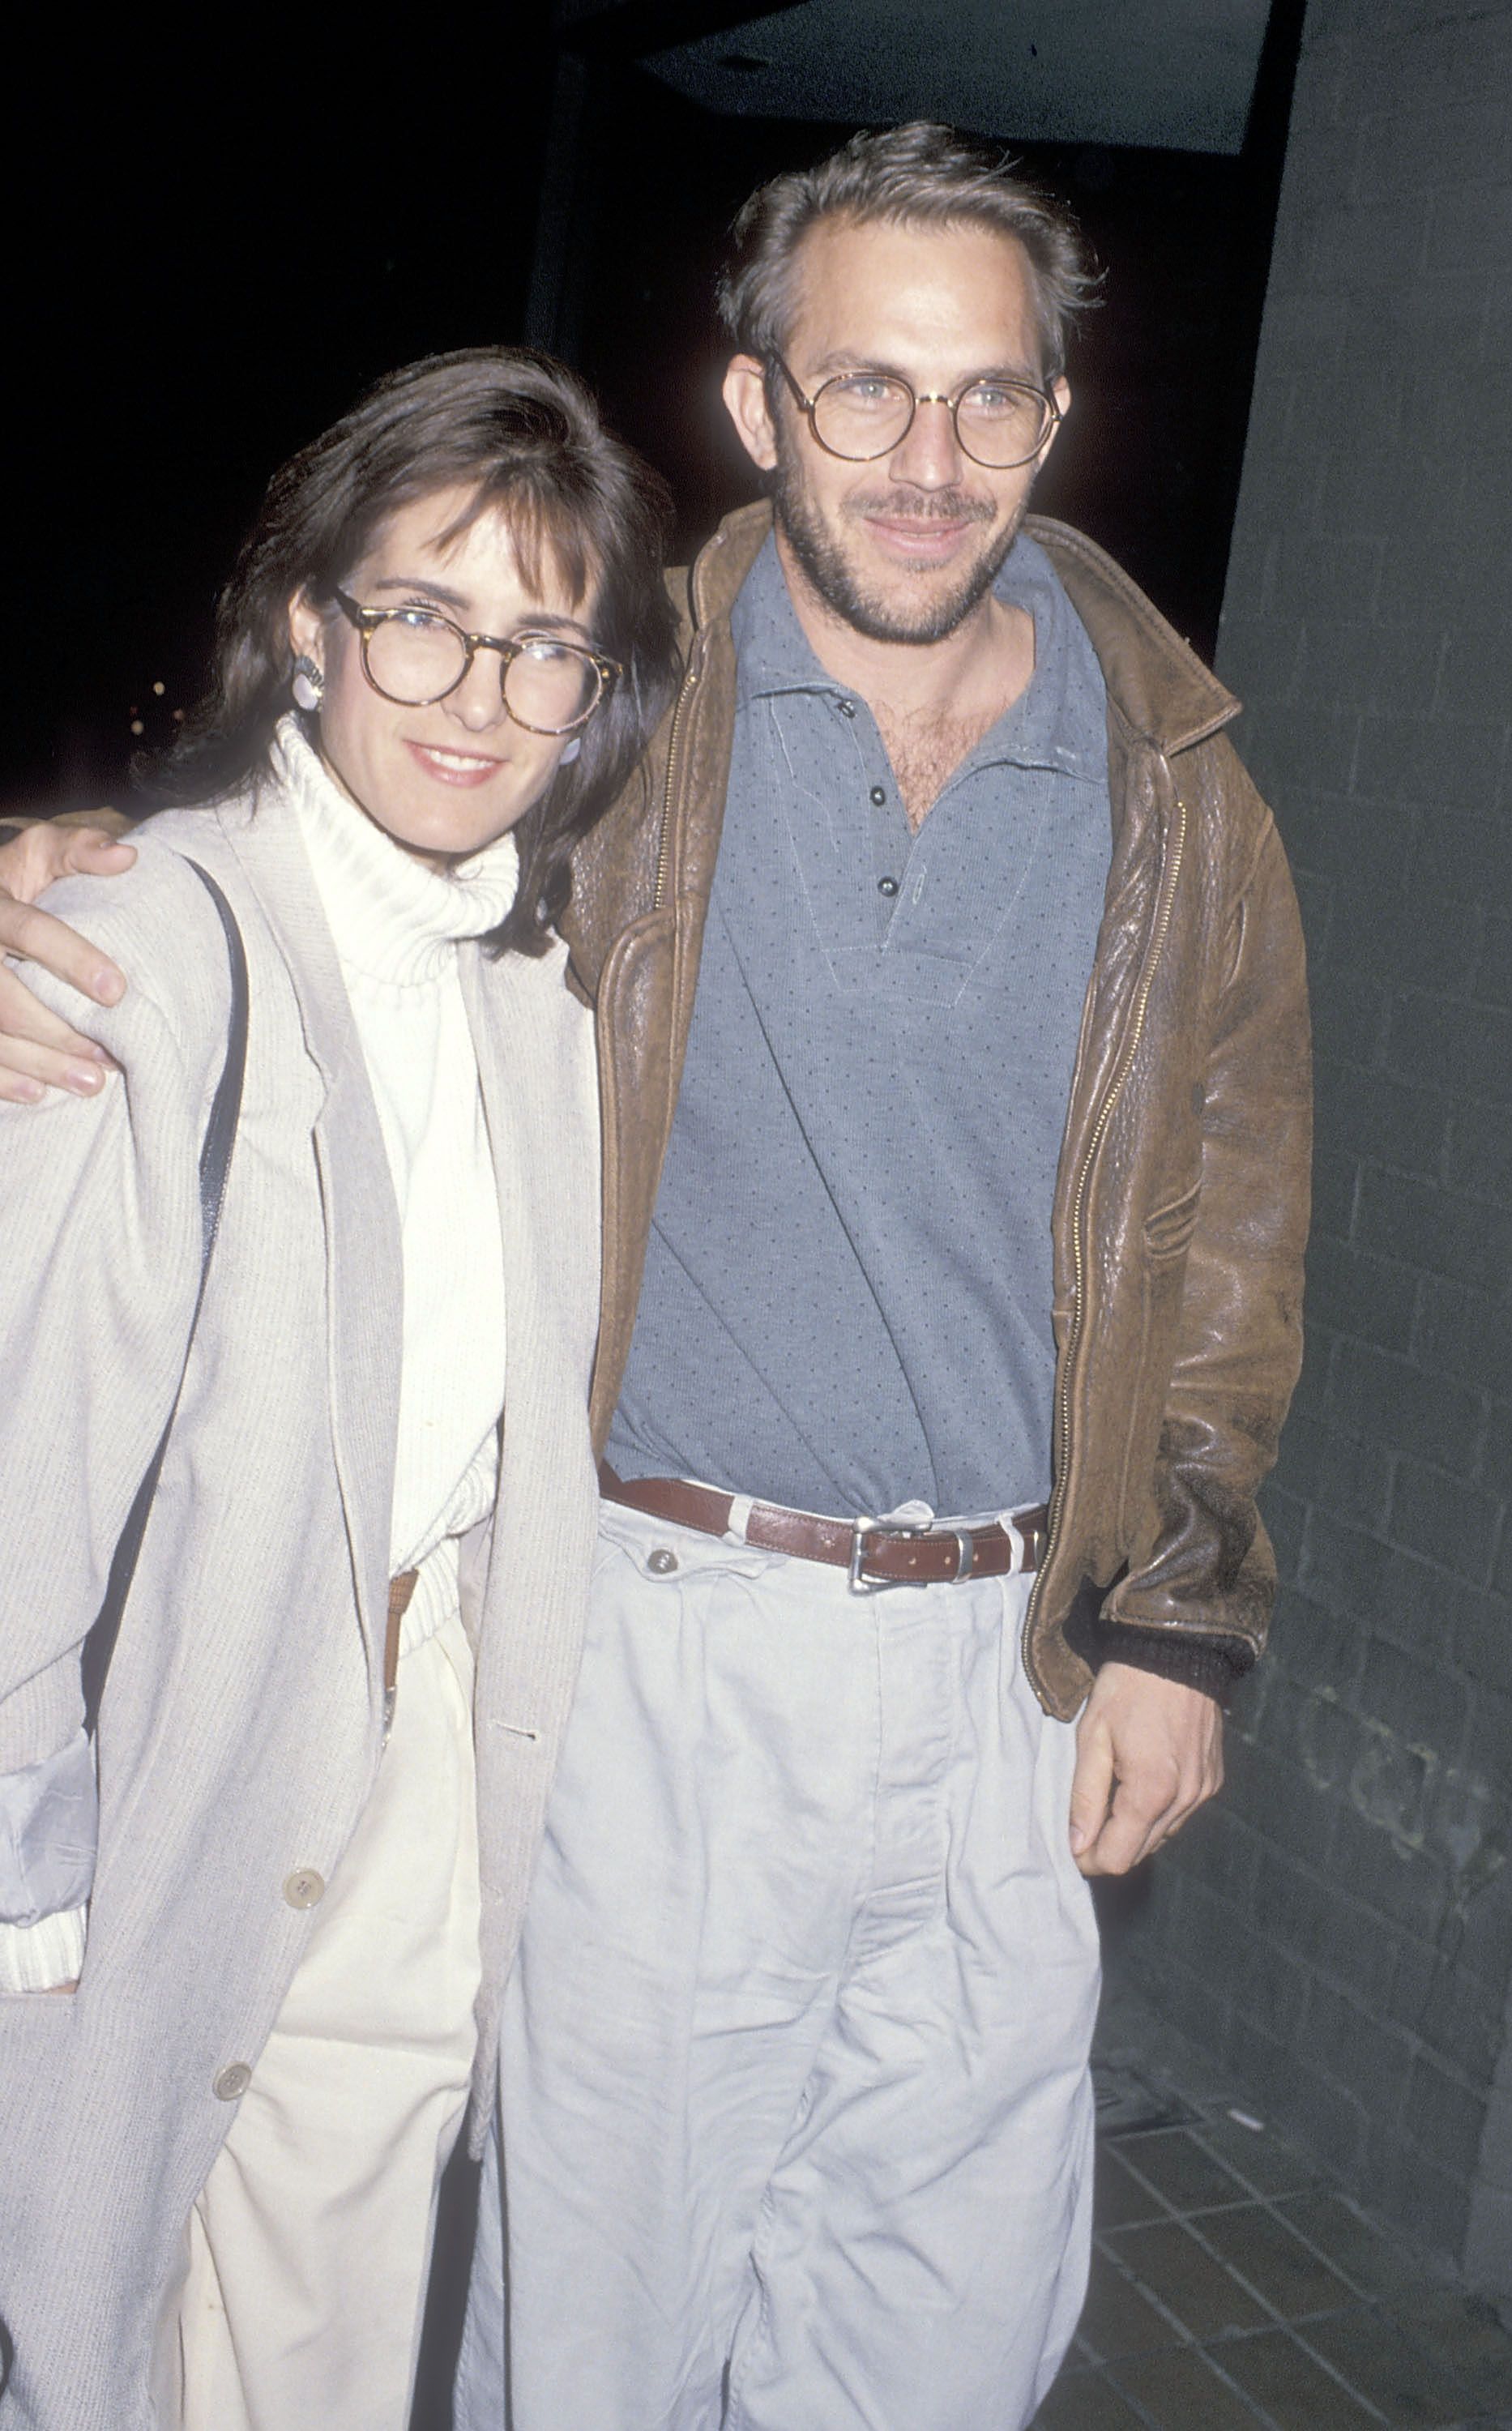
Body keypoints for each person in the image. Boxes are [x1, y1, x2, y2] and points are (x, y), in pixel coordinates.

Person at [0, 123, 1312, 2431]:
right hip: (655, 1632)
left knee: (934, 2334)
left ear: (1055, 415)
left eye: (986, 395)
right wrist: (63, 867)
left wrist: (1176, 1618)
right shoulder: (620, 707)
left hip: (1014, 1672)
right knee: (596, 2330)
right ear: (754, 404)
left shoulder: (1175, 772)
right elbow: (338, 843)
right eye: (863, 391)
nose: (926, 458)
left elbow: (1222, 1198)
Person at [0, 346, 675, 2430]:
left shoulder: (533, 995)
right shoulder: (146, 949)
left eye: (543, 645)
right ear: (309, 625)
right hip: (157, 1770)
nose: (479, 700)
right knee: (97, 2328)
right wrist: (25, 1877)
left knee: (324, 2347)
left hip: (415, 1755)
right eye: (424, 617)